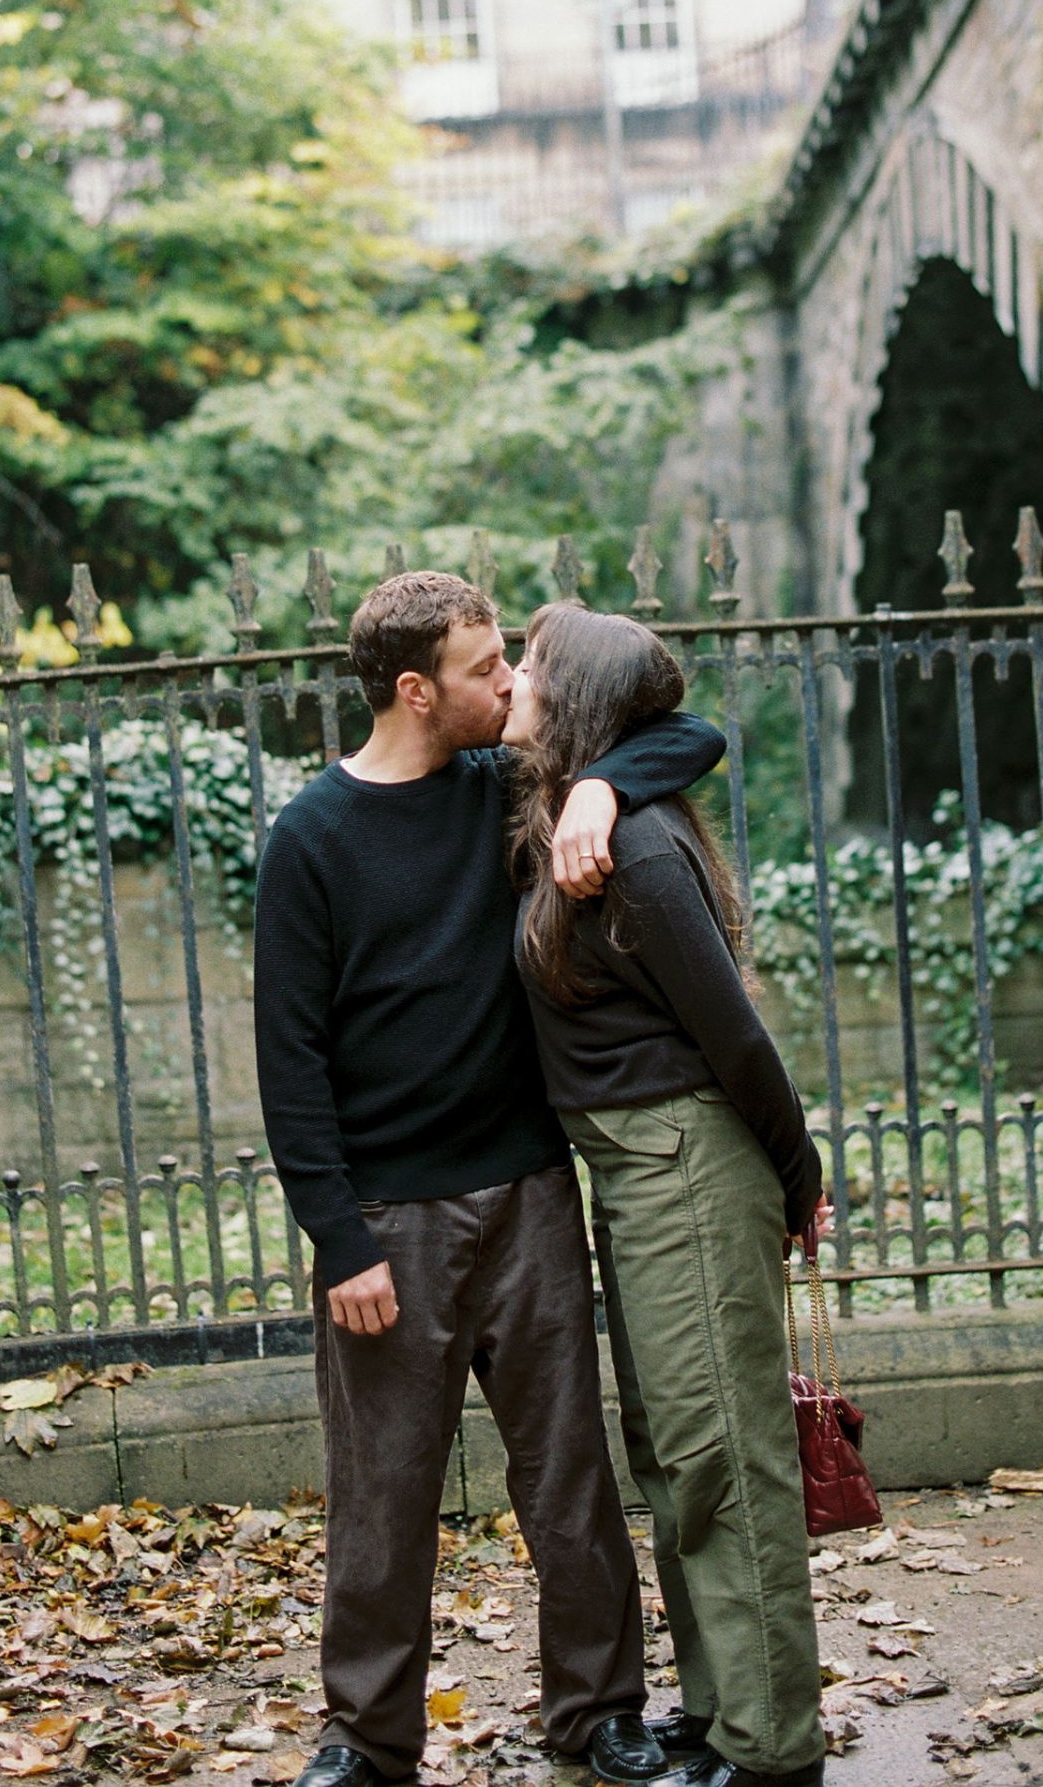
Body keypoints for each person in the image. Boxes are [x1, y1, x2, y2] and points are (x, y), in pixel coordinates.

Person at [253, 571, 727, 1787]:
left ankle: (601, 1714)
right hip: (386, 1226)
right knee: (383, 1497)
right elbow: (289, 1059)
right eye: (482, 667)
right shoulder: (308, 840)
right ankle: (365, 1741)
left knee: (568, 1476)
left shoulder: (510, 789)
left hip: (527, 1191)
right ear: (416, 690)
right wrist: (337, 1237)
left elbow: (693, 730)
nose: (511, 681)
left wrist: (605, 784)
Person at [504, 602, 830, 1787]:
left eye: (530, 667)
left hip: (690, 1158)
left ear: (576, 699)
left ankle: (772, 1745)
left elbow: (734, 1034)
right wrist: (594, 783)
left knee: (724, 1456)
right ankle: (723, 1703)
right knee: (677, 1447)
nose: (512, 682)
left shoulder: (633, 846)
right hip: (637, 1168)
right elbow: (683, 729)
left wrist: (801, 1174)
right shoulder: (563, 807)